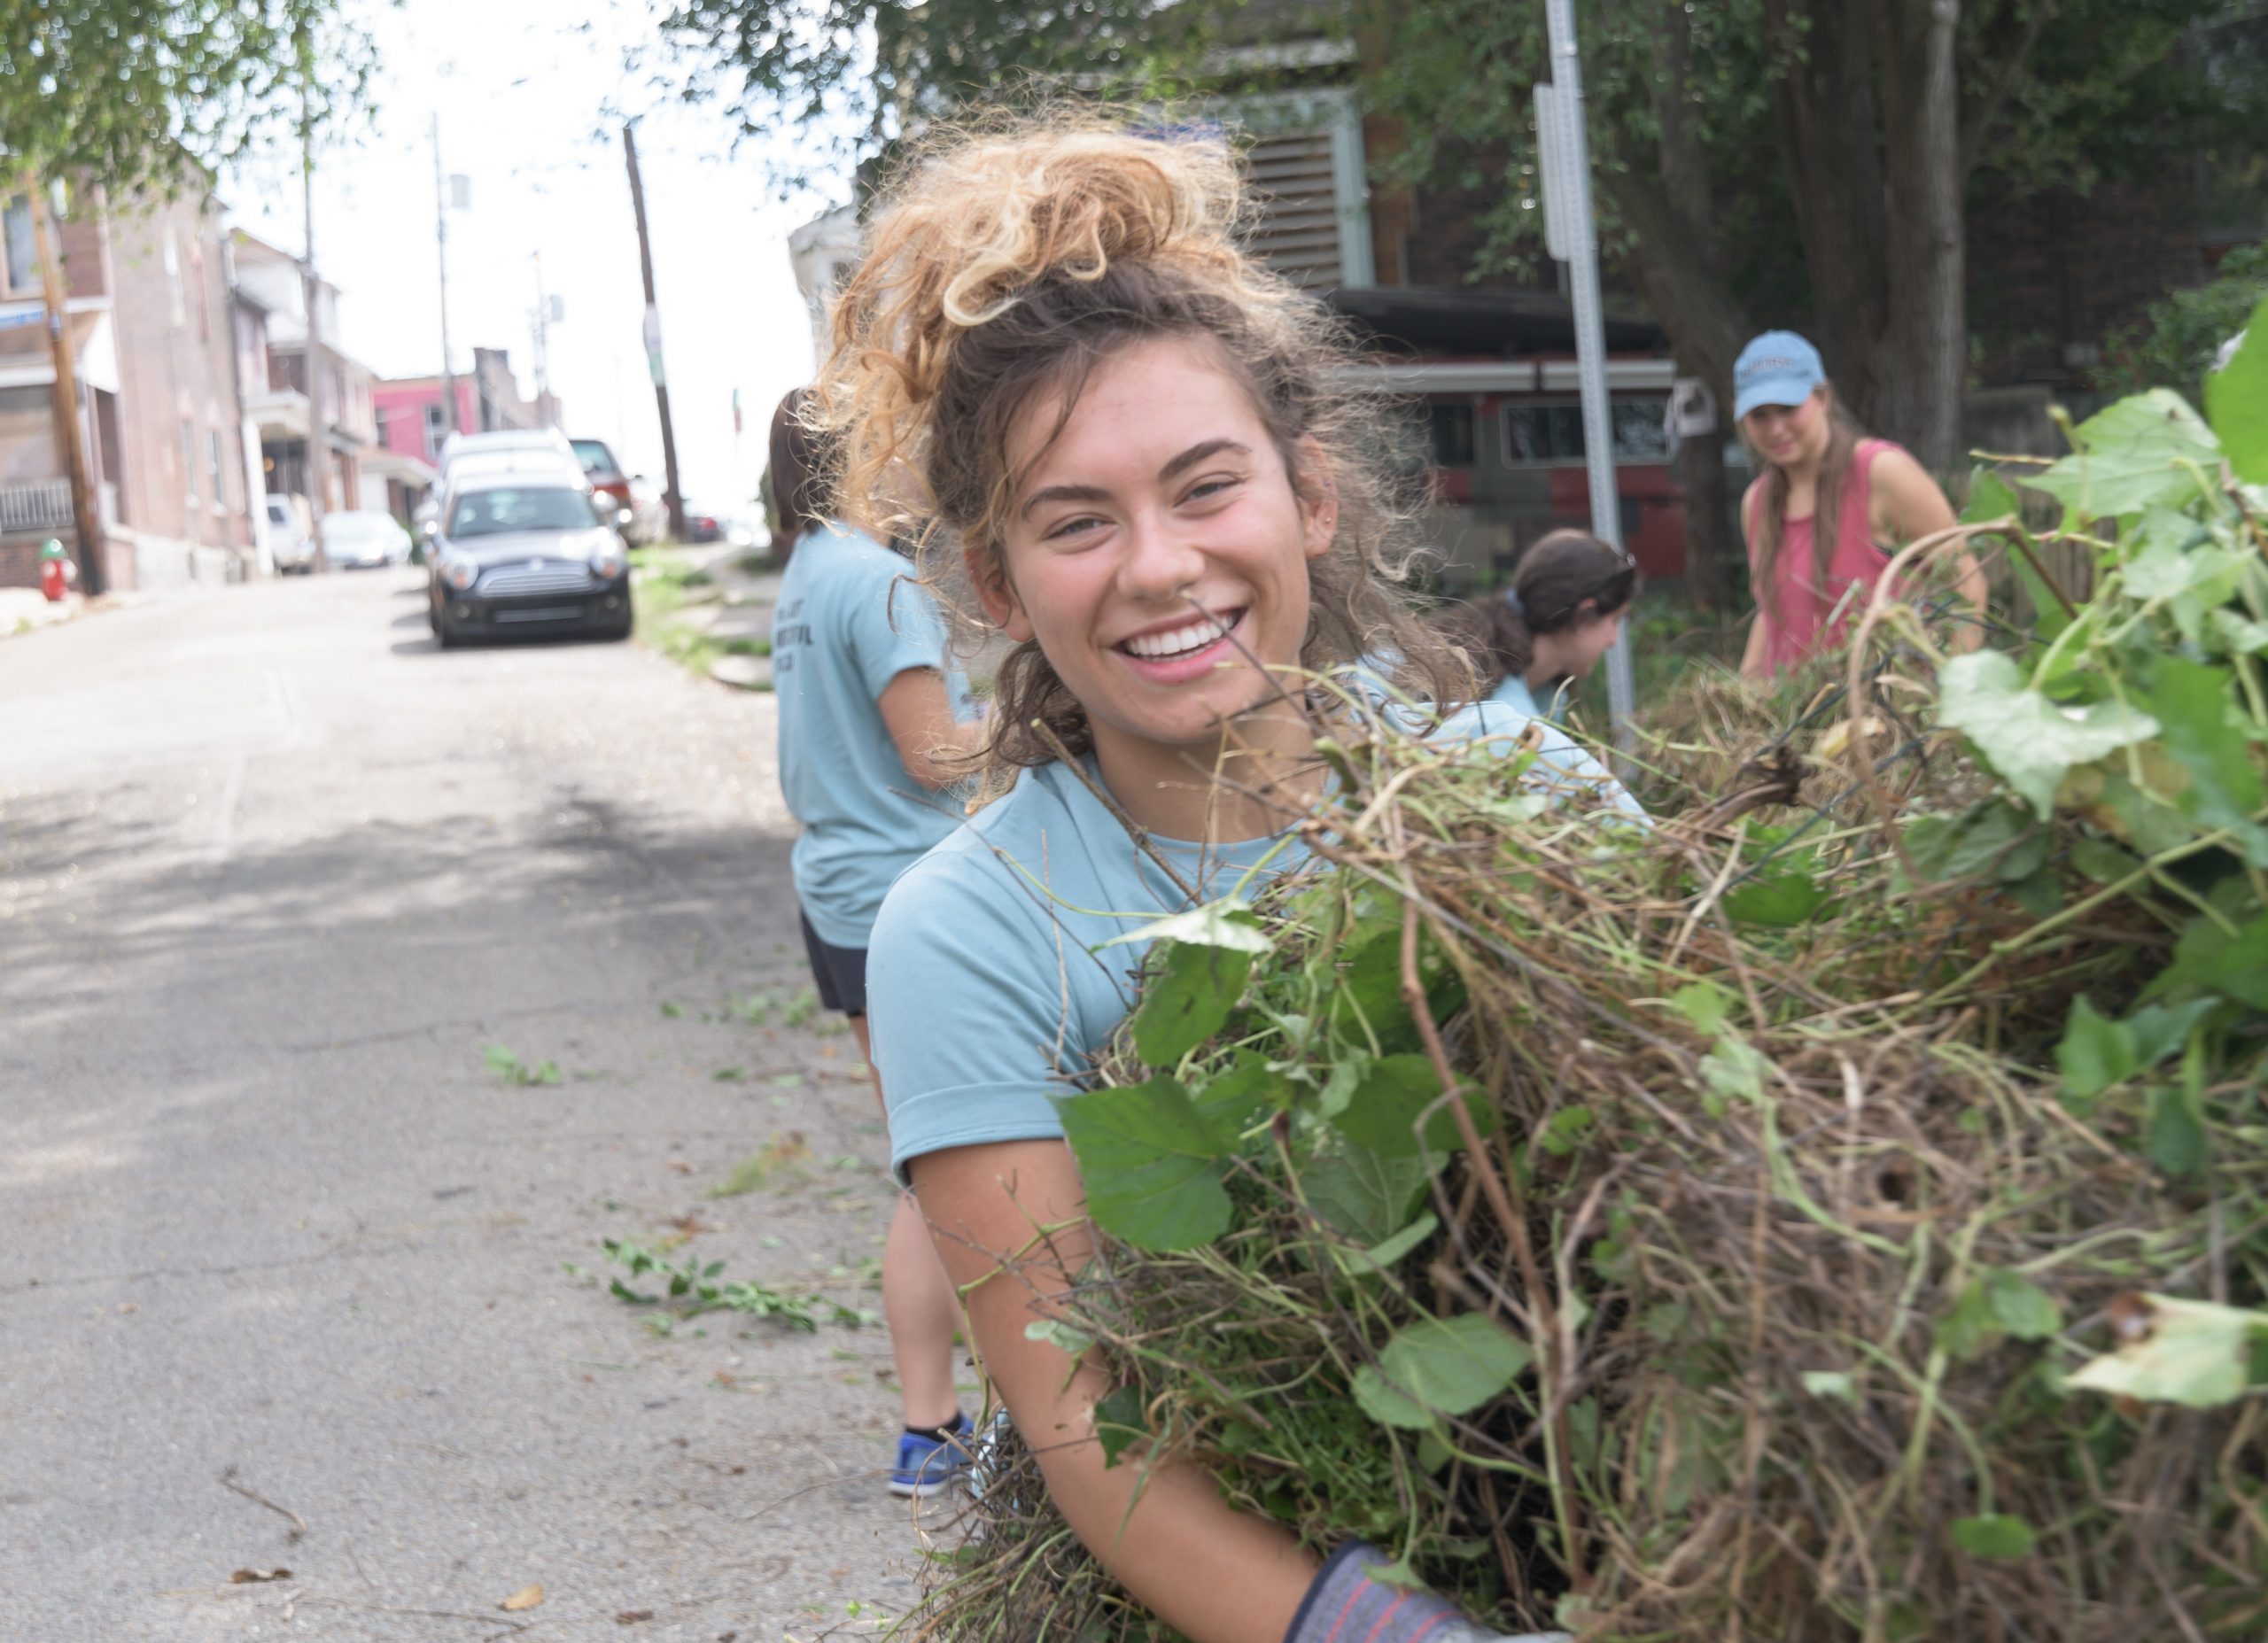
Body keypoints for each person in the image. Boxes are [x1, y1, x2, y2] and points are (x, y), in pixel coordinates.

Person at [813, 118, 1616, 1643]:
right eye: (1076, 522)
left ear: (1308, 498)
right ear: (997, 585)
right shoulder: (976, 935)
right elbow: (1084, 1436)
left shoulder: (1519, 791)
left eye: (1204, 488)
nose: (1161, 566)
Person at [764, 389, 983, 1499]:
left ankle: (938, 1423)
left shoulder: (807, 571)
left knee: (928, 1159)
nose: (919, 460)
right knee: (940, 1171)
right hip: (909, 899)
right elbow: (935, 757)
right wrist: (1057, 708)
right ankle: (932, 1429)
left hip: (843, 896)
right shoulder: (882, 580)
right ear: (857, 461)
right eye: (898, 442)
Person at [1734, 329, 1987, 680]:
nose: (1776, 428)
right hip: (1798, 724)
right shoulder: (1757, 504)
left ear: (1822, 398)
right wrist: (1748, 692)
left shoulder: (1881, 473)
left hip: (1885, 718)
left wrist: (1947, 694)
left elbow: (1967, 584)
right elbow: (1772, 613)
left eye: (1788, 408)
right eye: (1759, 415)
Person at [1434, 528, 1634, 722]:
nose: (1612, 641)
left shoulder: (1544, 694)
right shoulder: (1507, 718)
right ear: (1584, 614)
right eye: (1614, 621)